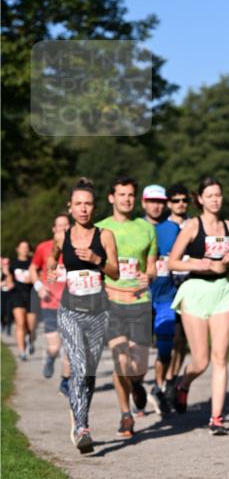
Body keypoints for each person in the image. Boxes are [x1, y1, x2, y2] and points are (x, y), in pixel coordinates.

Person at [168, 177, 229, 434]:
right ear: (200, 199)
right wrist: (198, 264)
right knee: (201, 361)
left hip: (222, 290)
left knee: (220, 357)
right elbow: (172, 262)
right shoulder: (192, 226)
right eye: (210, 195)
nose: (215, 199)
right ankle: (183, 383)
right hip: (195, 291)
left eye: (218, 195)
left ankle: (217, 418)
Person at [48, 179, 119, 453]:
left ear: (94, 206)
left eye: (88, 203)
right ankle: (81, 427)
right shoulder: (61, 237)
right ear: (70, 207)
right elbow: (54, 259)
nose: (83, 209)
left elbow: (115, 272)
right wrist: (54, 271)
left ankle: (81, 420)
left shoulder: (104, 236)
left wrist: (96, 260)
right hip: (69, 310)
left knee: (87, 373)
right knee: (77, 364)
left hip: (98, 312)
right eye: (78, 204)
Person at [97, 176, 157, 439]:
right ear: (112, 197)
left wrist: (150, 275)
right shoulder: (99, 228)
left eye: (131, 195)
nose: (127, 199)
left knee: (139, 366)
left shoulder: (145, 228)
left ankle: (137, 383)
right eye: (122, 194)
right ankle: (125, 415)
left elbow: (152, 265)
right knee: (120, 361)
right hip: (111, 303)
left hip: (140, 302)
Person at [141, 183, 178, 416]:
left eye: (160, 202)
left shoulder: (173, 228)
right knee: (139, 351)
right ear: (143, 203)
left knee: (165, 348)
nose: (156, 206)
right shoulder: (136, 227)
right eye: (152, 201)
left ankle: (157, 387)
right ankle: (137, 390)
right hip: (139, 298)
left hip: (166, 297)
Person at [30, 213, 72, 389]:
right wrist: (39, 286)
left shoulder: (76, 249)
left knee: (70, 349)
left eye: (66, 225)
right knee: (55, 347)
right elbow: (33, 269)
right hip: (50, 304)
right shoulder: (44, 248)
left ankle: (65, 381)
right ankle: (49, 357)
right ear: (54, 229)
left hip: (72, 305)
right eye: (59, 226)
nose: (62, 228)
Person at [162, 183, 191, 410]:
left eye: (184, 200)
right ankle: (166, 381)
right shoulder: (162, 228)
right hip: (167, 288)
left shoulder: (195, 225)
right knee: (170, 338)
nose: (180, 204)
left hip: (190, 286)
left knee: (183, 340)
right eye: (176, 200)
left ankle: (173, 378)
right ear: (169, 203)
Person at [9, 240, 36, 360]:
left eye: (26, 247)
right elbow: (9, 280)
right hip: (17, 296)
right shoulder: (12, 264)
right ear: (17, 249)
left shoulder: (33, 263)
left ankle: (30, 340)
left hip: (31, 295)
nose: (24, 249)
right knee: (20, 324)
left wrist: (33, 279)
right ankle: (22, 352)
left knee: (30, 326)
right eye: (22, 247)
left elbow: (39, 276)